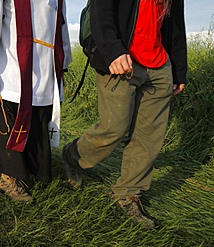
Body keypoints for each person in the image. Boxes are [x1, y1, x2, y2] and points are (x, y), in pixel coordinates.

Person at [62, 0, 187, 228]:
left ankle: (128, 193)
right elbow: (102, 11)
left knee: (148, 137)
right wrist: (112, 51)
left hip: (159, 67)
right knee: (114, 128)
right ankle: (73, 157)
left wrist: (179, 71)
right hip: (122, 61)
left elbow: (177, 27)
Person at [0, 0, 72, 202]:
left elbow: (60, 26)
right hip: (10, 66)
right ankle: (9, 177)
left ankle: (30, 171)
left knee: (39, 119)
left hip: (45, 68)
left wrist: (62, 65)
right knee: (10, 120)